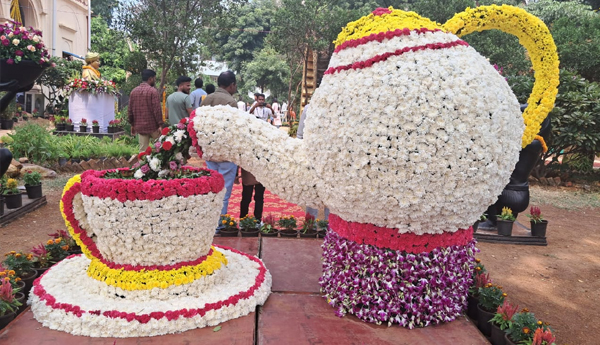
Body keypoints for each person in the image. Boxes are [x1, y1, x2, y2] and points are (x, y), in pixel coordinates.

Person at [200, 71, 239, 223]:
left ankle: (209, 221)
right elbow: (233, 129)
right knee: (224, 190)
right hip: (225, 152)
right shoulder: (231, 102)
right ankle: (218, 223)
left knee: (211, 188)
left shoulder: (207, 99)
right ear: (232, 85)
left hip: (209, 151)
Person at [238, 93, 271, 221]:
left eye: (263, 100)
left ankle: (257, 220)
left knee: (259, 196)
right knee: (246, 196)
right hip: (250, 168)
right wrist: (253, 107)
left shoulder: (267, 137)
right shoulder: (248, 133)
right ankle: (243, 219)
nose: (261, 102)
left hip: (261, 169)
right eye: (259, 100)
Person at [297, 104, 329, 221]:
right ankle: (310, 226)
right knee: (312, 191)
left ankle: (330, 228)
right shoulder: (309, 108)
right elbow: (300, 135)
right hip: (312, 156)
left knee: (331, 193)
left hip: (331, 158)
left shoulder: (338, 105)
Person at [128, 69, 165, 152]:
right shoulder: (153, 91)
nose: (154, 81)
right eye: (154, 79)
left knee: (143, 151)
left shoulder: (133, 92)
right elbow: (157, 109)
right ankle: (158, 164)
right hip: (153, 126)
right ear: (150, 79)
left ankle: (143, 165)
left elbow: (130, 110)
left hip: (140, 127)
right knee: (159, 148)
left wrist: (132, 124)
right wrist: (160, 124)